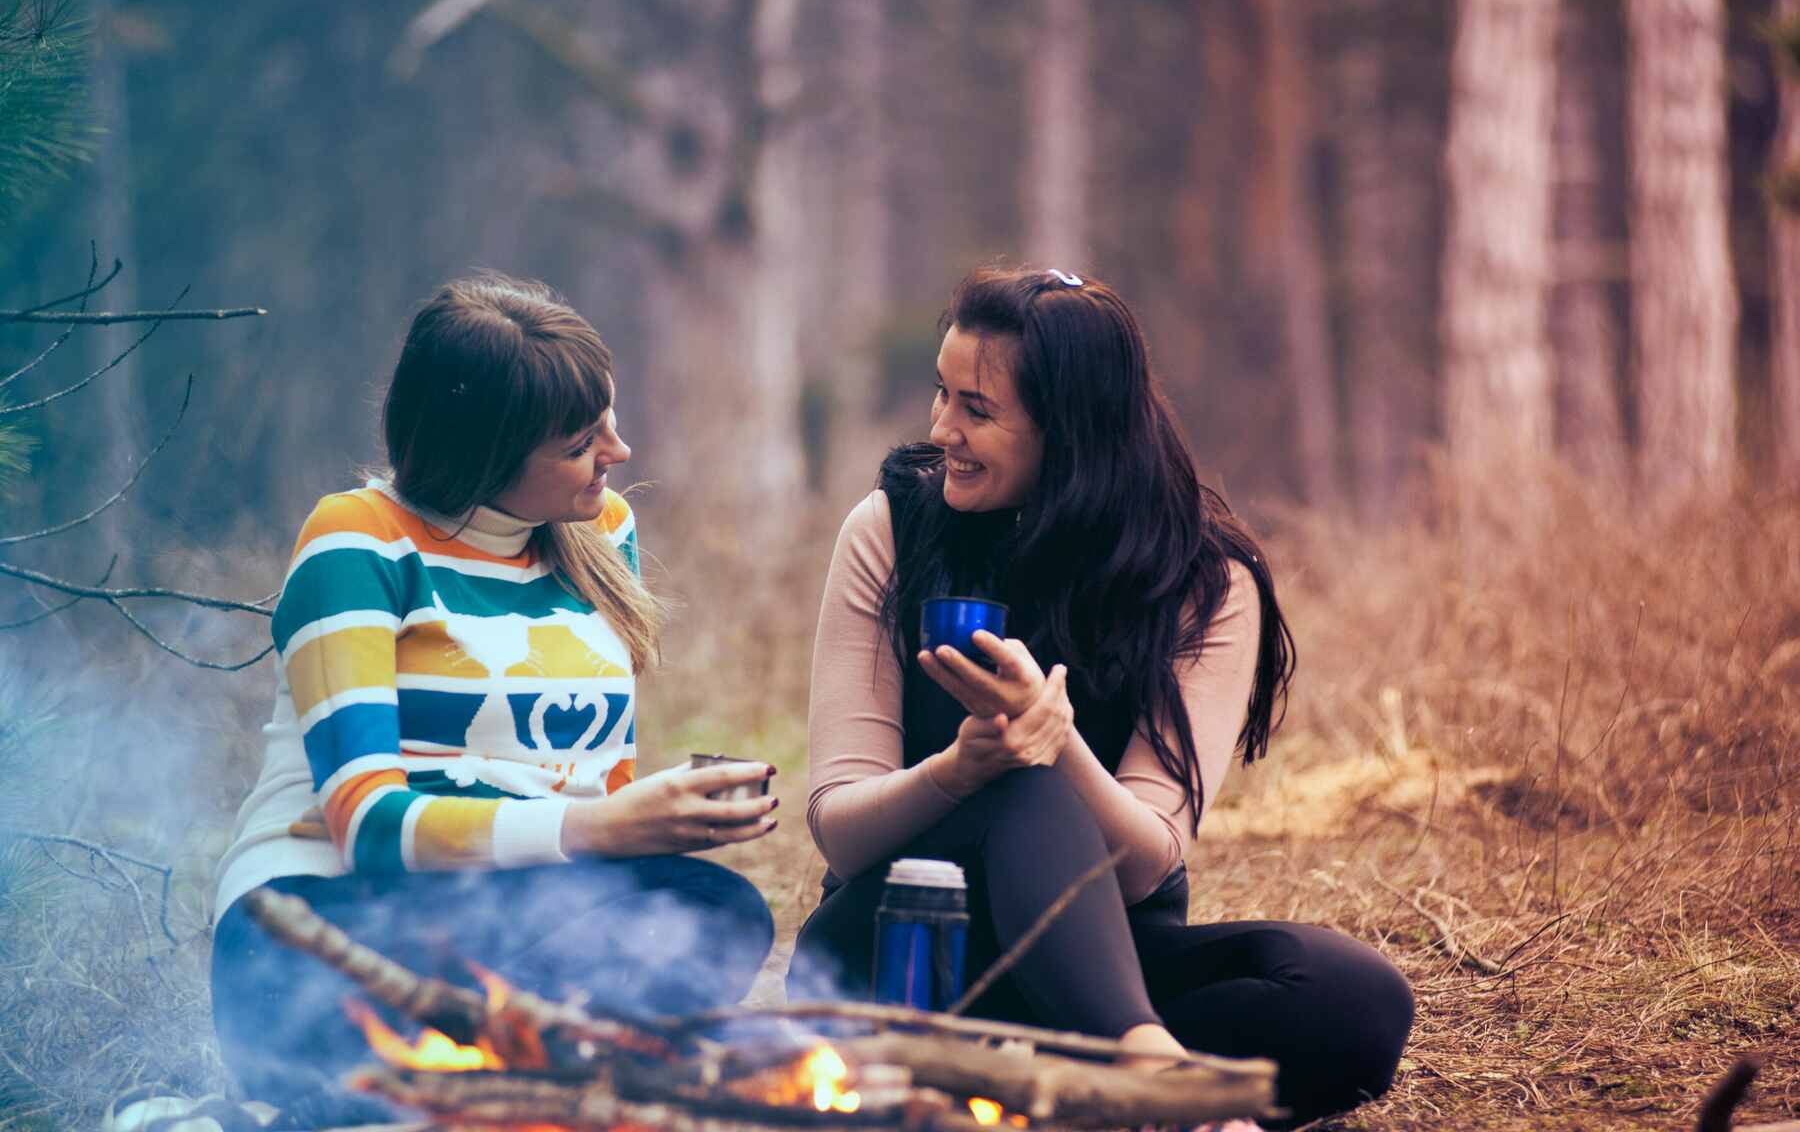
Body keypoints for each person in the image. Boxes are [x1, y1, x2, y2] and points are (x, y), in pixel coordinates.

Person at [791, 266, 1413, 1129]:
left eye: (977, 409)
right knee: (1015, 782)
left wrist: (1059, 743)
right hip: (899, 954)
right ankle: (1148, 1078)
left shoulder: (1204, 581)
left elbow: (1150, 855)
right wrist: (962, 769)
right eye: (942, 395)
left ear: (1071, 429)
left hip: (1101, 958)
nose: (943, 429)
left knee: (1355, 999)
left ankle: (1064, 1085)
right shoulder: (892, 531)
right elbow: (842, 829)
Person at [211, 274, 777, 1123]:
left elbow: (594, 781)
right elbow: (366, 827)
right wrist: (600, 830)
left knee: (715, 909)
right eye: (583, 440)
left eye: (610, 421)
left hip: (507, 918)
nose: (617, 452)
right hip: (320, 928)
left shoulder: (601, 531)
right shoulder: (357, 541)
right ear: (485, 453)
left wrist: (652, 823)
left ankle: (478, 1092)